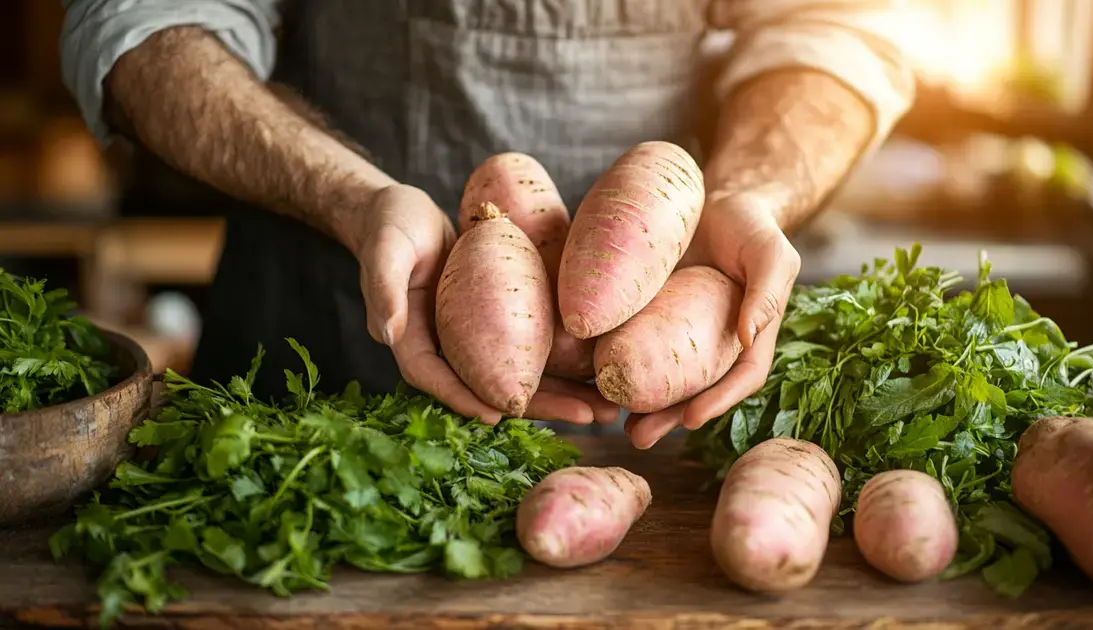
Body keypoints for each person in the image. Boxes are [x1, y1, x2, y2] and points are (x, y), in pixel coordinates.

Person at [61, 0, 914, 449]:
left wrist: (753, 193)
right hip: (316, 351)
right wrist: (354, 201)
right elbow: (138, 18)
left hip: (659, 363)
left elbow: (833, 23)